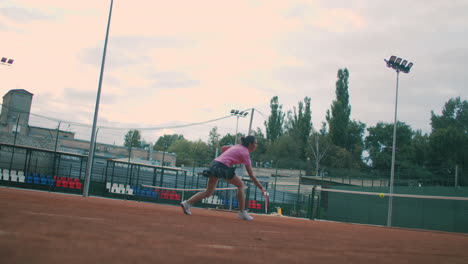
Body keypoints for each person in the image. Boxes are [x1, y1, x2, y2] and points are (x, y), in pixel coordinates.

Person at [180, 135, 267, 221]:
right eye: (255, 143)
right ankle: (242, 212)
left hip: (214, 164)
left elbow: (223, 148)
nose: (256, 145)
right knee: (241, 185)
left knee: (208, 192)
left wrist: (229, 155)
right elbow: (251, 175)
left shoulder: (237, 146)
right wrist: (262, 188)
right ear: (250, 144)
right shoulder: (245, 153)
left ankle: (187, 203)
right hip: (222, 167)